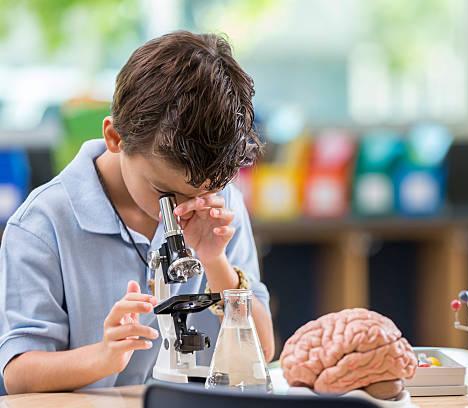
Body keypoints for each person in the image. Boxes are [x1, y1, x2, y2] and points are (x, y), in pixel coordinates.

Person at [0, 31, 274, 394]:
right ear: (116, 139)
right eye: (166, 194)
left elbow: (263, 350)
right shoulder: (42, 225)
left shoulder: (221, 204)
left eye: (205, 191)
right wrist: (103, 356)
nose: (184, 210)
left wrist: (216, 262)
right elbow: (18, 374)